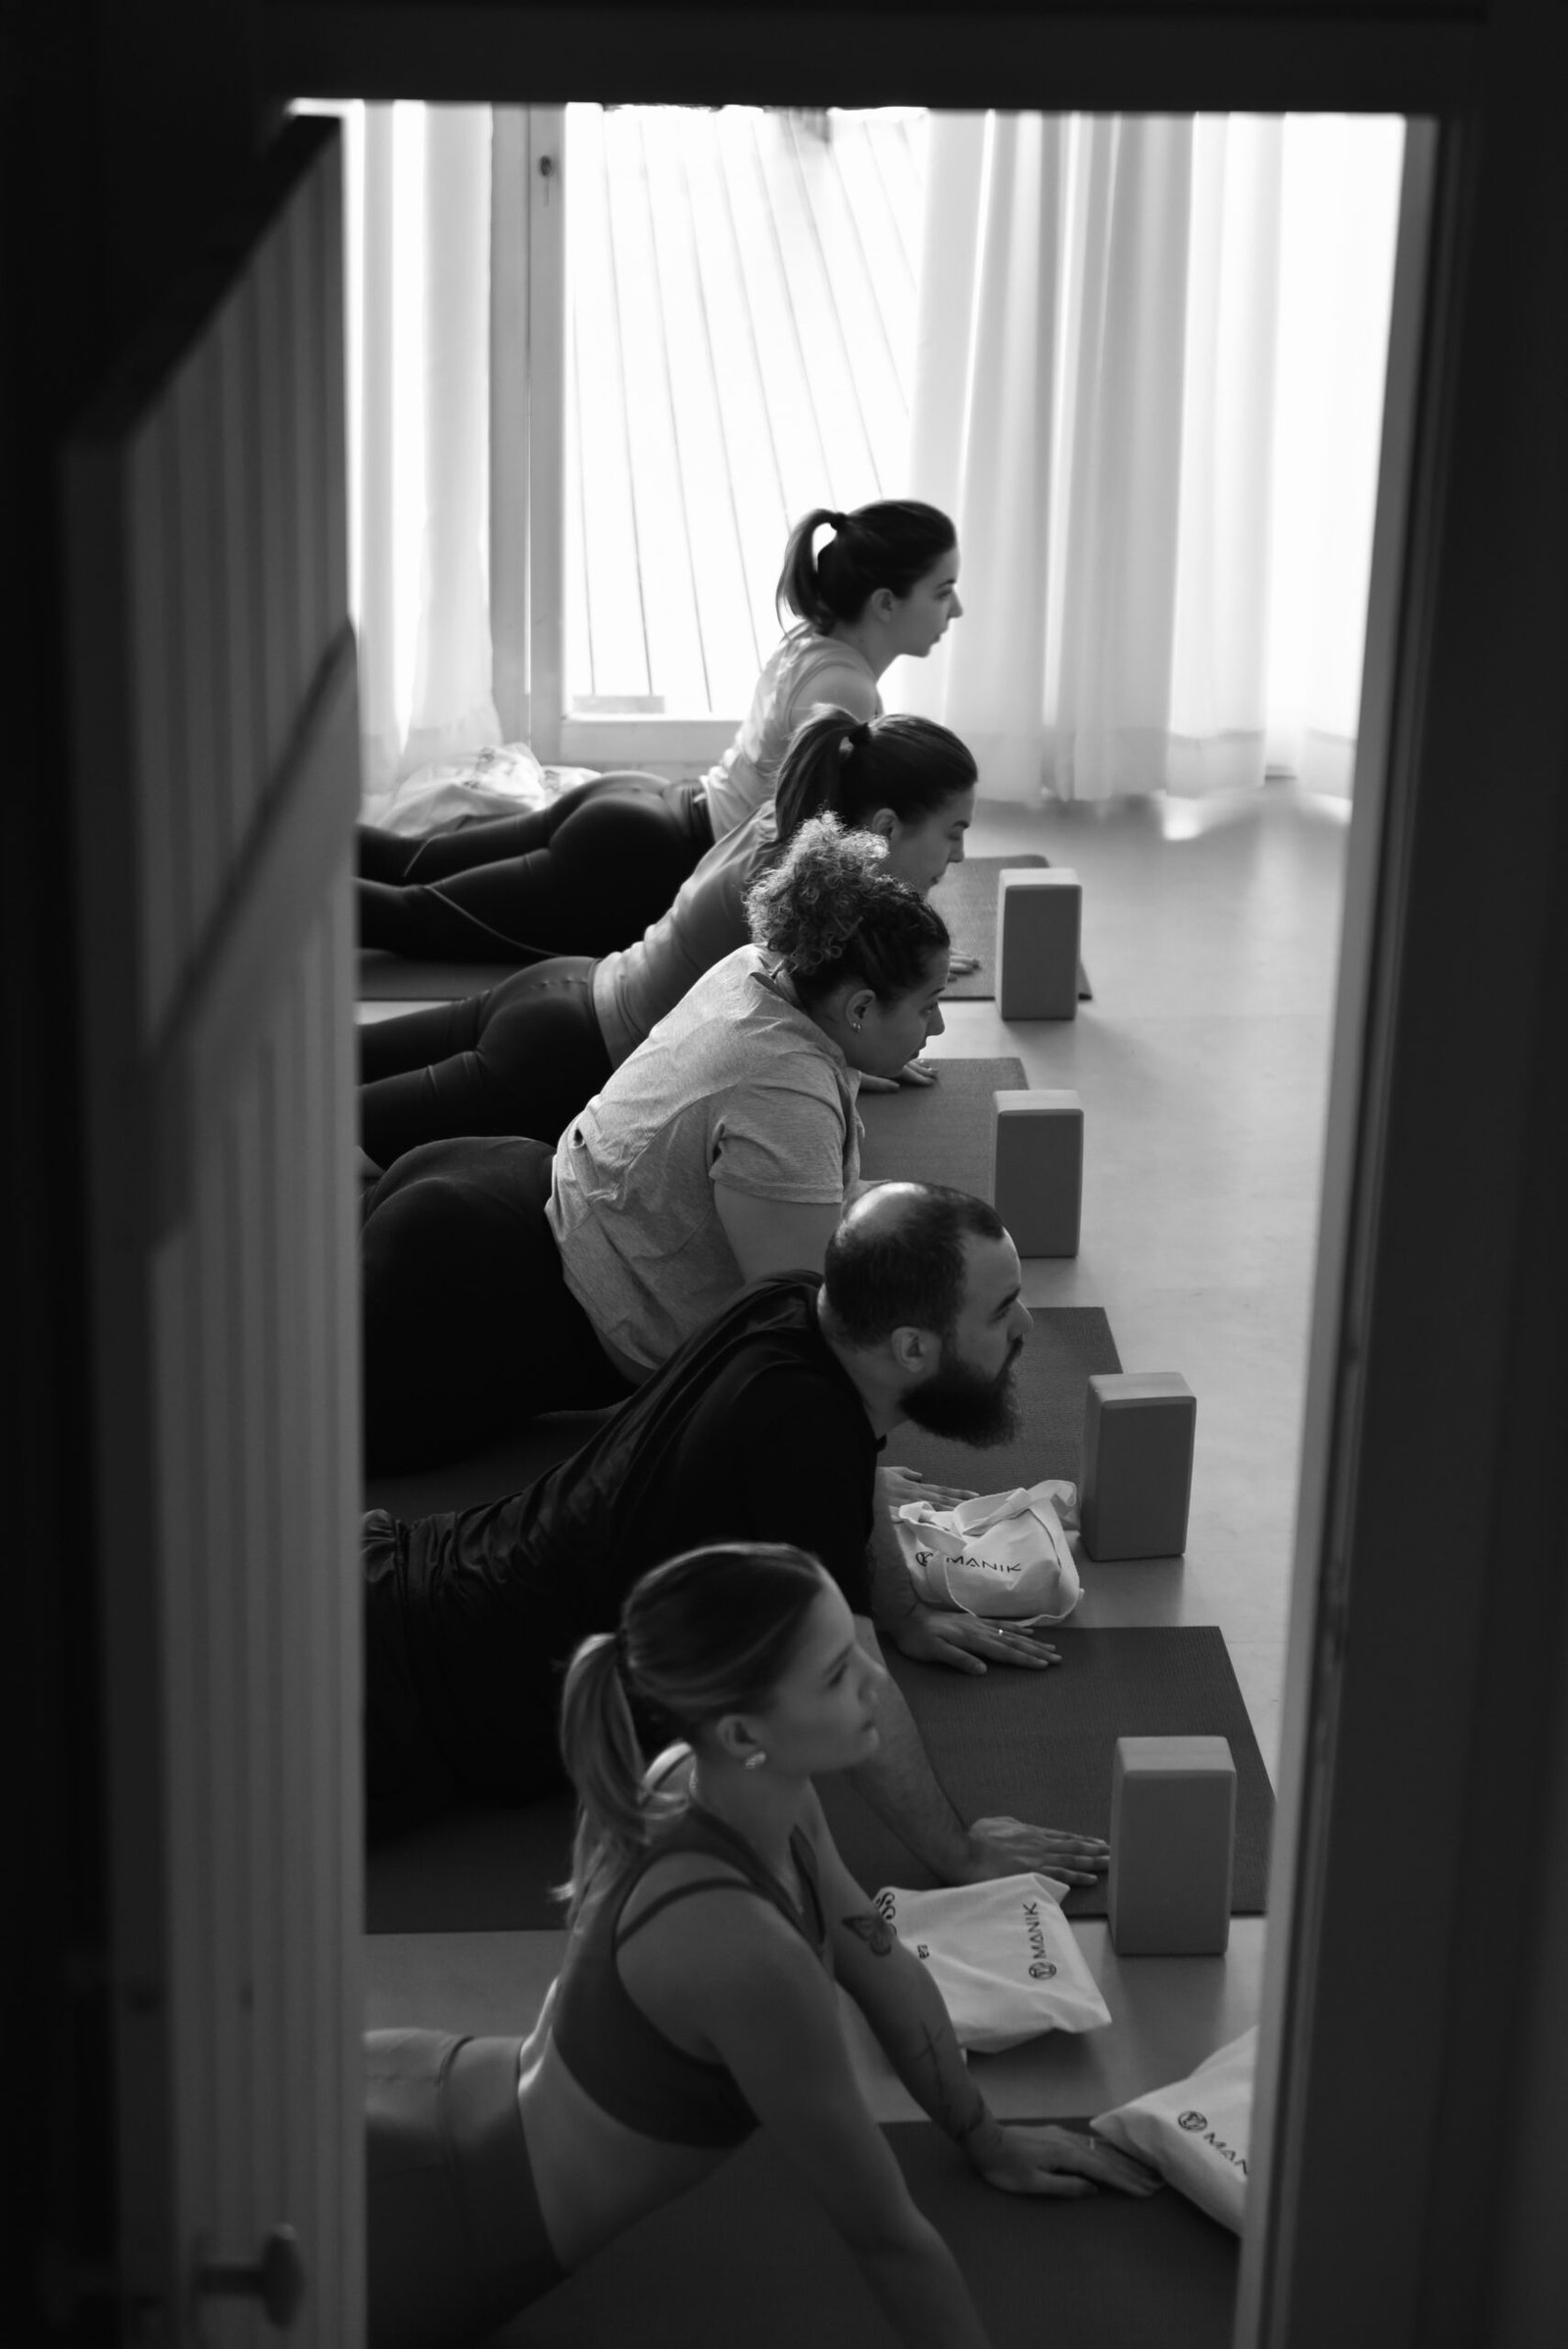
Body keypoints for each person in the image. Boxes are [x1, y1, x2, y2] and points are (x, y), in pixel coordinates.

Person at [365, 1542, 1158, 2349]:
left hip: (434, 2091)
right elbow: (884, 2235)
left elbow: (880, 1959)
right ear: (745, 1732)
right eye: (836, 1674)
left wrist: (986, 2138)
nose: (874, 1681)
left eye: (855, 1650)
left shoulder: (744, 1790)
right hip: (427, 2219)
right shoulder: (746, 1951)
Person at [365, 1181, 1109, 1900]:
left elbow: (859, 1463)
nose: (1025, 1325)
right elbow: (857, 1680)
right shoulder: (802, 1439)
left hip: (401, 1566)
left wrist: (905, 1612)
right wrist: (962, 1853)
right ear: (912, 1348)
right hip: (395, 1697)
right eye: (1002, 1309)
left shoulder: (792, 1304)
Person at [361, 819, 951, 1469]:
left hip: (482, 1184)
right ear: (859, 1009)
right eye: (928, 1005)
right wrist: (855, 1472)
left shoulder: (759, 968)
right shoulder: (784, 1094)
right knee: (285, 1449)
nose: (941, 1024)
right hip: (475, 1297)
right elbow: (791, 1337)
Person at [357, 709, 978, 1171]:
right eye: (953, 832)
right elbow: (793, 1042)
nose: (959, 854)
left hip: (566, 988)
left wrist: (904, 973)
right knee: (326, 1129)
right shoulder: (814, 902)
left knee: (335, 1064)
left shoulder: (797, 824)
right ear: (886, 826)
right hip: (563, 1058)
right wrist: (872, 1043)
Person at [355, 500, 962, 962]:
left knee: (409, 869)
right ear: (885, 603)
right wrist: (899, 956)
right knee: (408, 917)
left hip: (645, 806)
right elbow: (819, 861)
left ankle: (300, 838)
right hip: (640, 867)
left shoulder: (817, 640)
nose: (955, 610)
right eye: (942, 592)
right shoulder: (848, 692)